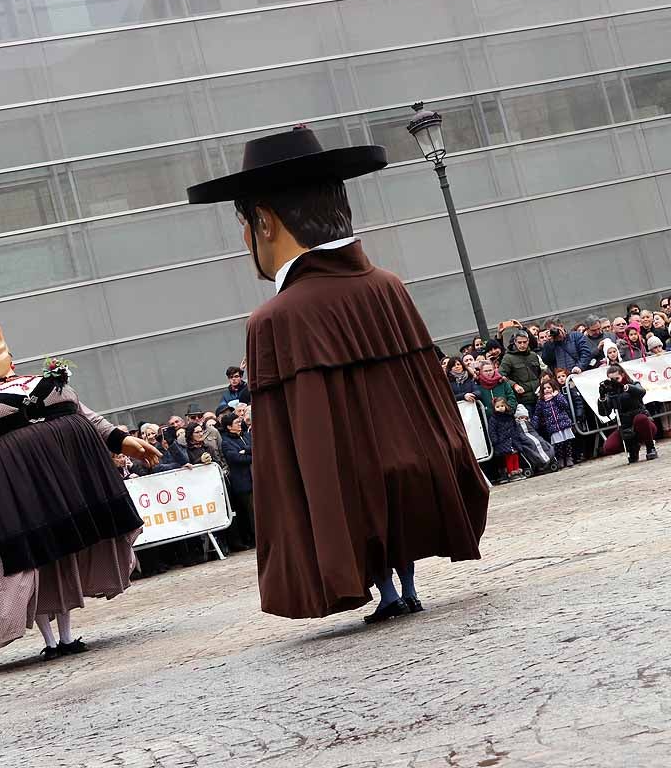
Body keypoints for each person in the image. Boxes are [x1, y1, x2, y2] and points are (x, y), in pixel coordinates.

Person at [184, 125, 488, 623]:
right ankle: (405, 587)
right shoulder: (387, 286)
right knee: (390, 511)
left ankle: (390, 593)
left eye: (243, 225)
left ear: (263, 223)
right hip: (411, 462)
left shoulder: (275, 319)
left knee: (359, 506)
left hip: (346, 481)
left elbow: (294, 440)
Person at [0, 290, 159, 659]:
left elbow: (82, 412)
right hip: (6, 504)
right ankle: (49, 639)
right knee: (31, 563)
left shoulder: (44, 387)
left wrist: (121, 439)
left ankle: (67, 634)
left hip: (56, 492)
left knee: (60, 557)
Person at [598, 365, 658, 463]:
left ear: (623, 375)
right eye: (611, 379)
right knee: (609, 447)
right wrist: (602, 398)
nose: (614, 381)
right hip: (625, 427)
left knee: (640, 419)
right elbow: (604, 413)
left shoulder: (633, 384)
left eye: (617, 378)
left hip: (644, 424)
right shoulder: (611, 393)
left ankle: (650, 447)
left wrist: (625, 387)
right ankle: (633, 448)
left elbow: (641, 392)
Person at [219, 412, 254, 552]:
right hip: (243, 482)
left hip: (255, 477)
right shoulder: (226, 442)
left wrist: (245, 450)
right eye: (236, 423)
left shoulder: (246, 435)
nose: (240, 424)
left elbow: (256, 448)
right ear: (228, 427)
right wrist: (250, 456)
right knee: (250, 513)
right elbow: (235, 459)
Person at [533, 379, 577, 469]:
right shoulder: (541, 401)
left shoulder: (558, 396)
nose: (547, 390)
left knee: (567, 442)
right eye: (544, 388)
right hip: (552, 426)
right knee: (558, 444)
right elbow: (537, 413)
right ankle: (560, 458)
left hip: (563, 422)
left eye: (549, 387)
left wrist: (557, 396)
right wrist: (535, 423)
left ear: (553, 388)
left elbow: (565, 405)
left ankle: (569, 457)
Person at [498, 330, 543, 411]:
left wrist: (543, 379)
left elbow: (540, 372)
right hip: (522, 399)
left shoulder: (533, 355)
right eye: (519, 342)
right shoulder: (508, 357)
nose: (522, 345)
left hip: (539, 396)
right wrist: (514, 385)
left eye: (524, 342)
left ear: (528, 341)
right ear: (515, 342)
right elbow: (501, 375)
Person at [486, 396, 525, 483]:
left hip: (513, 439)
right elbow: (492, 430)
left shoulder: (509, 416)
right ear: (494, 408)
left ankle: (517, 470)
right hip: (502, 441)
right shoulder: (494, 418)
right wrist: (495, 440)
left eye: (502, 406)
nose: (500, 408)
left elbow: (515, 426)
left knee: (515, 455)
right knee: (509, 457)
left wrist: (517, 435)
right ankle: (511, 473)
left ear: (506, 406)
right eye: (497, 407)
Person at [513, 405, 558, 474]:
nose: (523, 420)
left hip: (534, 436)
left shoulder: (530, 423)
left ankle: (548, 457)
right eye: (521, 418)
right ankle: (539, 460)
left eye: (525, 418)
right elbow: (520, 435)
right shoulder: (517, 425)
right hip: (526, 439)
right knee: (531, 445)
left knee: (542, 442)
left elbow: (534, 431)